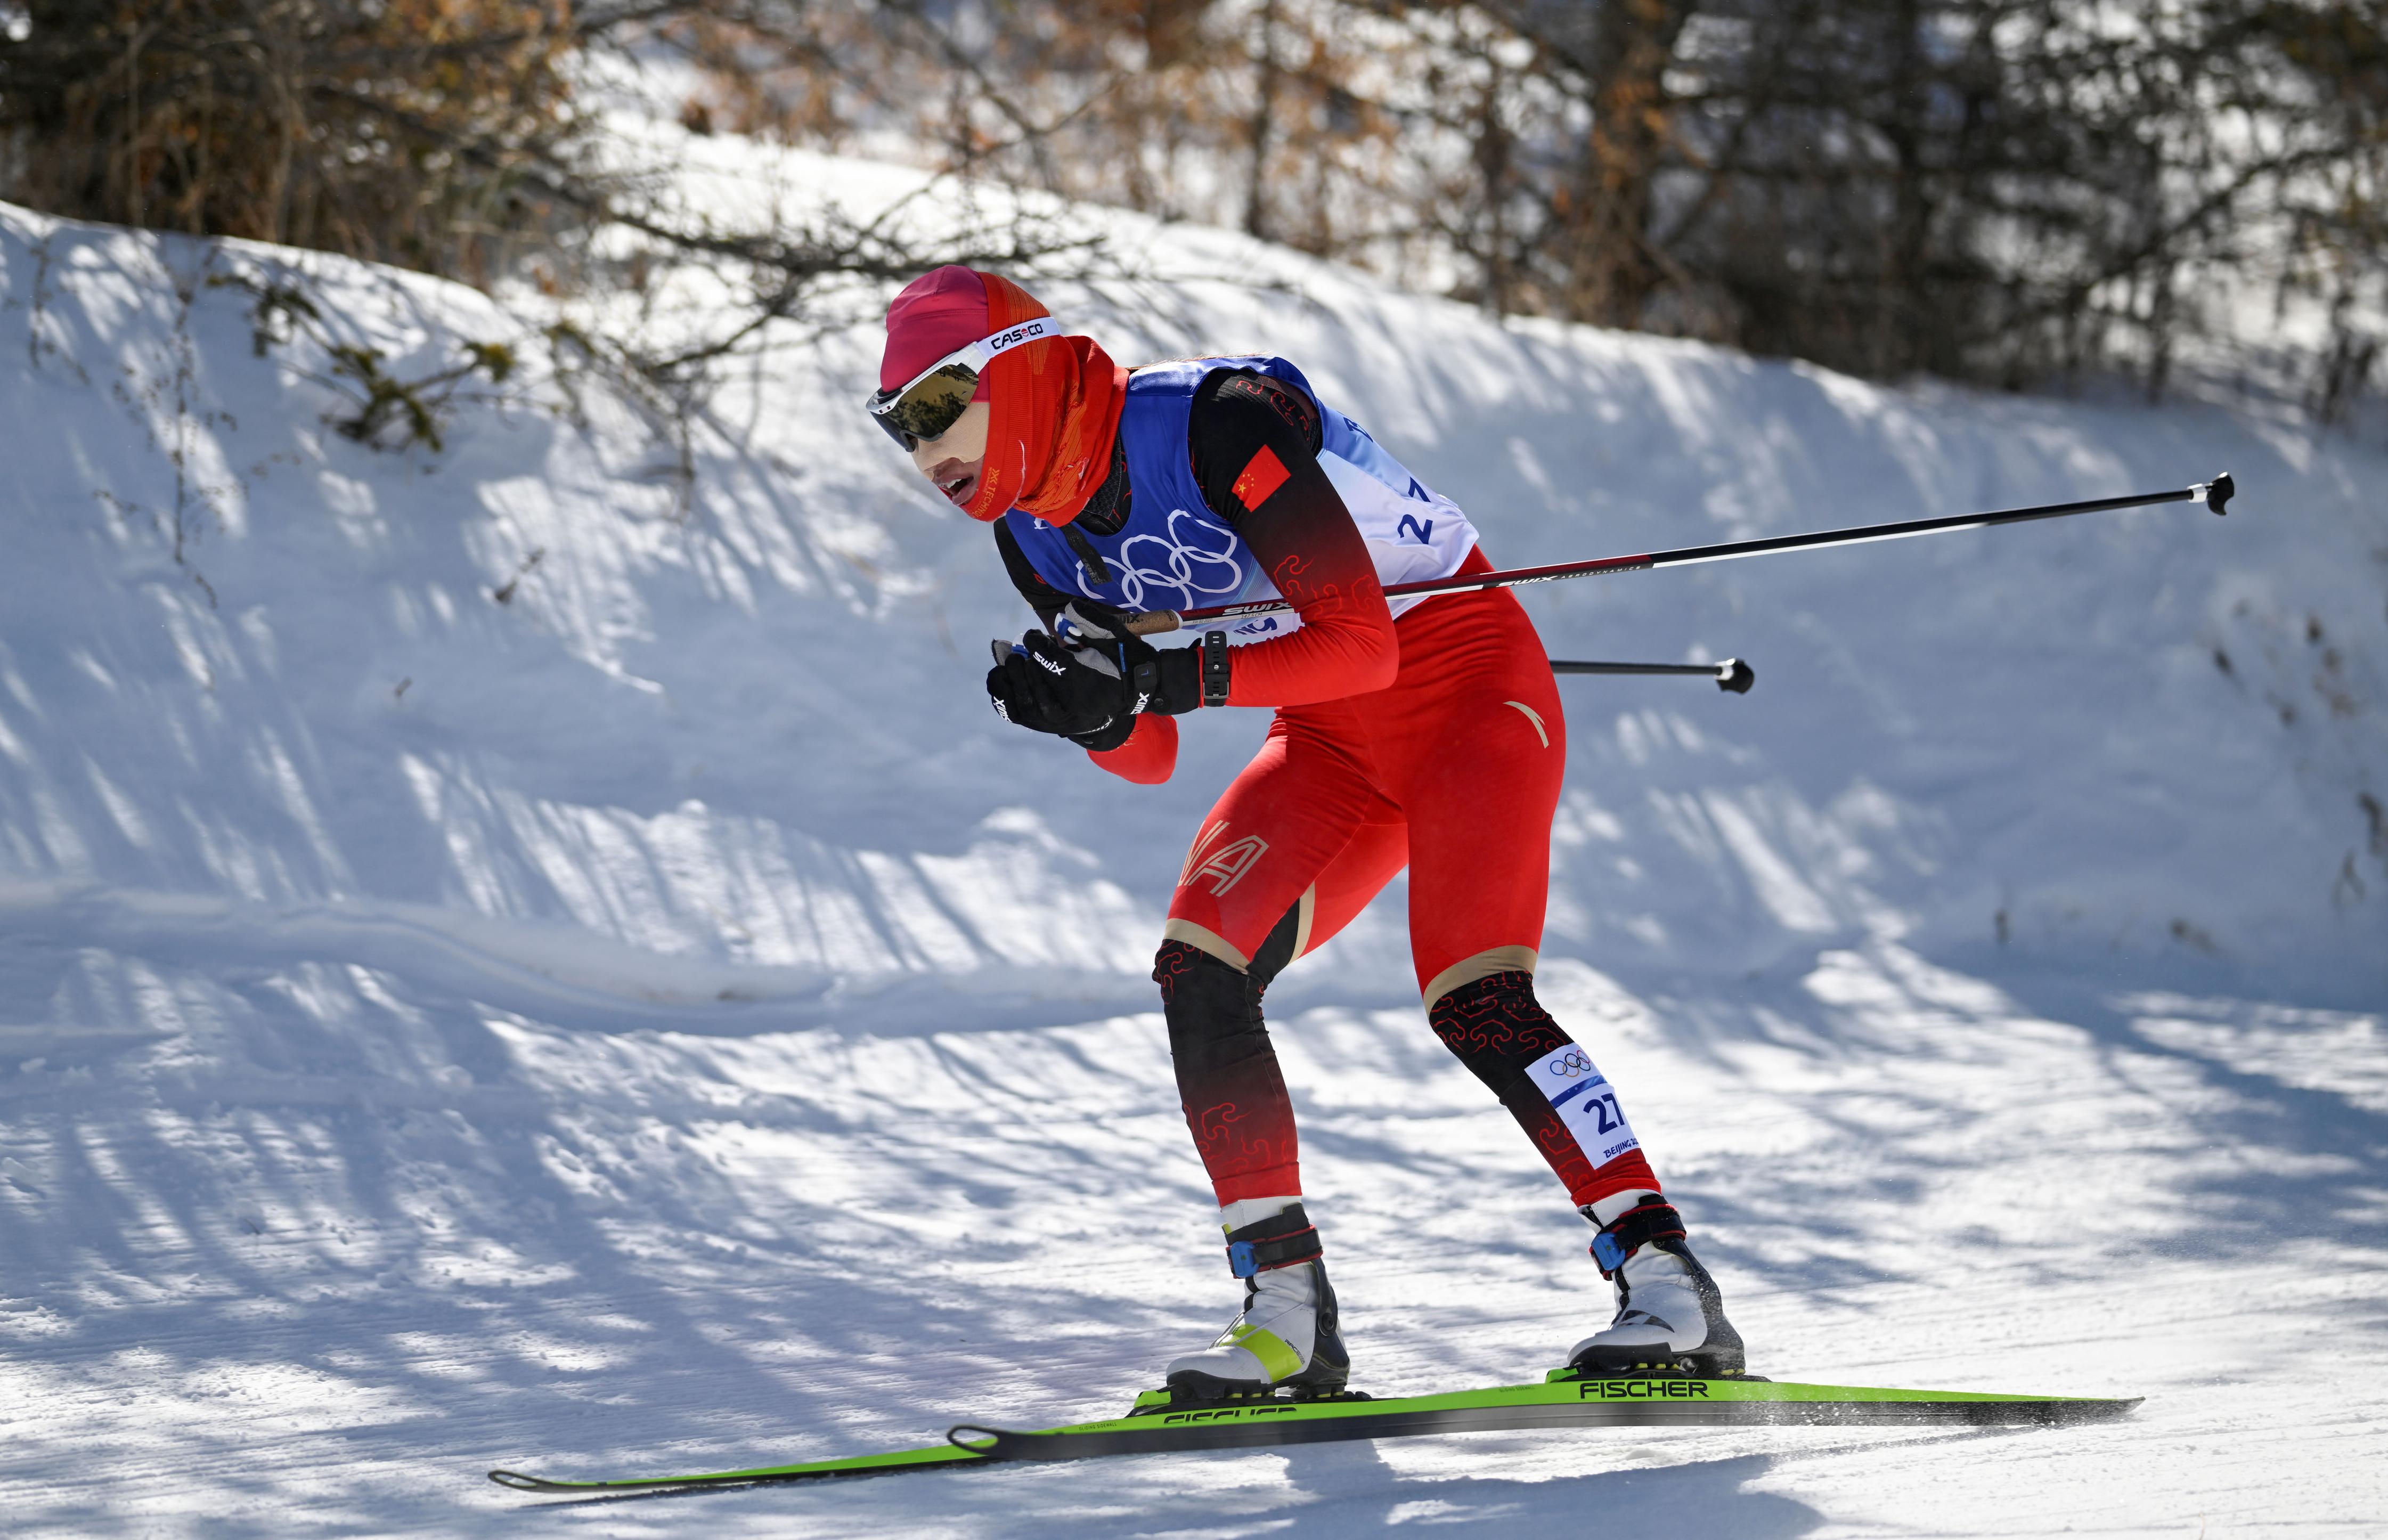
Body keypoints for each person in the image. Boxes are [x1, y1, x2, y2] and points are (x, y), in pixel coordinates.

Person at [866, 266, 1743, 1402]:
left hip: (1467, 686)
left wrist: (1166, 670)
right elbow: (1152, 758)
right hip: (1329, 743)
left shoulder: (1220, 425)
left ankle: (1668, 1283)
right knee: (1198, 971)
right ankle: (1287, 1318)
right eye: (897, 429)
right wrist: (1090, 713)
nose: (922, 447)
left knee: (1474, 998)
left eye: (936, 404)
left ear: (1022, 370)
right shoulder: (1036, 539)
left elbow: (1363, 646)